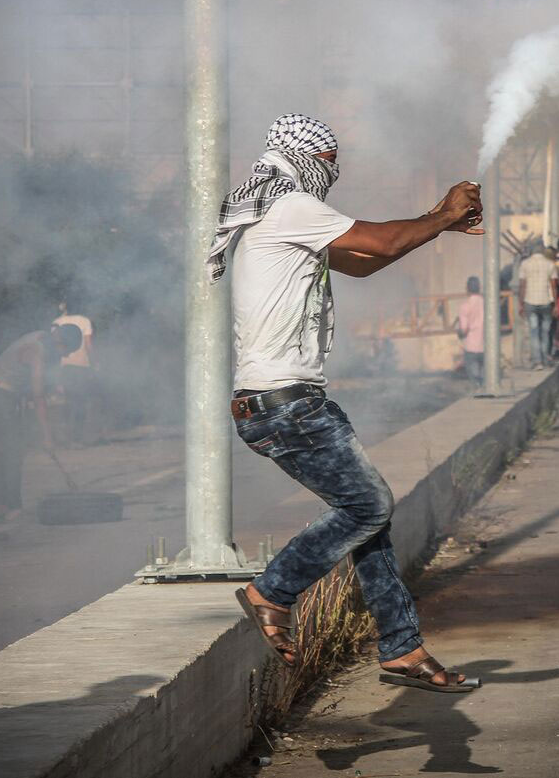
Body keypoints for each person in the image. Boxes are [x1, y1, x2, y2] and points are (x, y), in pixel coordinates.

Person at [212, 113, 481, 691]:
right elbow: (382, 239)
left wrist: (438, 223)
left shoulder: (275, 211)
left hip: (287, 402)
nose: (330, 175)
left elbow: (366, 261)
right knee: (369, 506)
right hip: (283, 404)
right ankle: (273, 590)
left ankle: (402, 648)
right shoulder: (287, 206)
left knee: (367, 519)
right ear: (306, 157)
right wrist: (442, 213)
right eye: (329, 163)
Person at [0, 323, 83, 519]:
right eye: (69, 350)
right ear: (61, 342)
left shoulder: (44, 337)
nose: (68, 355)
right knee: (12, 450)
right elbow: (38, 397)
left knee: (8, 449)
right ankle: (13, 506)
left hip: (6, 393)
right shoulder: (37, 351)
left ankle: (3, 504)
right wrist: (47, 437)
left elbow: (34, 386)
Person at [52, 301, 96, 445]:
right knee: (80, 402)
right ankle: (76, 438)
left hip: (64, 367)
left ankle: (66, 438)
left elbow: (54, 348)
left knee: (67, 402)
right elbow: (89, 346)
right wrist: (95, 364)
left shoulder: (56, 322)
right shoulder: (84, 321)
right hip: (81, 366)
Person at [518, 242, 556, 369]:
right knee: (545, 331)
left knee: (534, 332)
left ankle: (537, 362)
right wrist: (556, 303)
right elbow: (553, 285)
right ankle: (545, 358)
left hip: (530, 301)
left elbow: (522, 285)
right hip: (545, 301)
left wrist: (521, 303)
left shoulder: (525, 264)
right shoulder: (550, 264)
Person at [454, 276, 485, 384]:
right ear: (479, 288)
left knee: (475, 382)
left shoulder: (465, 306)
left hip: (471, 347)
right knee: (485, 380)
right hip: (486, 347)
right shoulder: (487, 303)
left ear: (467, 288)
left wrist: (458, 333)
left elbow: (464, 330)